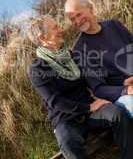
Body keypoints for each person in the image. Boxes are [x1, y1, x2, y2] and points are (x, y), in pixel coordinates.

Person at [27, 15, 133, 159]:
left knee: (117, 114)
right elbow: (56, 102)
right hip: (65, 118)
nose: (61, 29)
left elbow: (94, 79)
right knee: (68, 142)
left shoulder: (73, 56)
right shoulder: (37, 69)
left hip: (90, 111)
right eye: (55, 28)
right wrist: (89, 107)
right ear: (43, 38)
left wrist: (122, 84)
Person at [64, 0, 133, 117]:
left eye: (78, 14)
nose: (77, 21)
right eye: (72, 19)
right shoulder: (79, 51)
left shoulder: (114, 25)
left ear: (90, 8)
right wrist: (125, 89)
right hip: (122, 94)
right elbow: (99, 88)